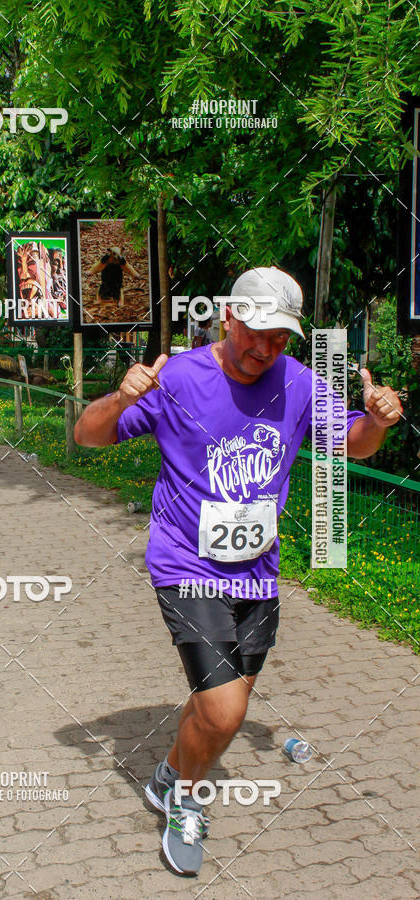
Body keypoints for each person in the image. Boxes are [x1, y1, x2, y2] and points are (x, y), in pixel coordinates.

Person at [74, 266, 403, 876]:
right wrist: (122, 398)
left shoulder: (300, 383)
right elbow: (88, 435)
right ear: (228, 318)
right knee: (225, 713)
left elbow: (351, 443)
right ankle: (187, 801)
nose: (264, 347)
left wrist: (377, 423)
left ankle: (172, 772)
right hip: (186, 565)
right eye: (254, 331)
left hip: (257, 573)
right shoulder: (178, 377)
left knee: (214, 708)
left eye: (279, 337)